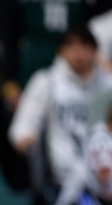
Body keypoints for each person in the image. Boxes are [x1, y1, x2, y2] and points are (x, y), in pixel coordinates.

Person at [9, 25, 112, 189]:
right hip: (62, 178)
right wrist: (26, 138)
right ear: (60, 51)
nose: (78, 52)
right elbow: (25, 123)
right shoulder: (48, 81)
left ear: (94, 50)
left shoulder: (108, 85)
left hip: (104, 180)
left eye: (84, 45)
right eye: (71, 45)